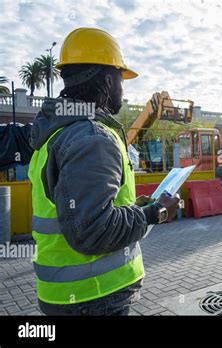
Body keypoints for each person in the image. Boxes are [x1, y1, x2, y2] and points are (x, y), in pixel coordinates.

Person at [28, 27, 179, 316]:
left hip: (67, 295)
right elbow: (93, 230)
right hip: (95, 296)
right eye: (121, 78)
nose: (123, 88)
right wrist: (155, 213)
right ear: (107, 80)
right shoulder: (93, 138)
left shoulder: (54, 134)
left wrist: (133, 207)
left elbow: (79, 212)